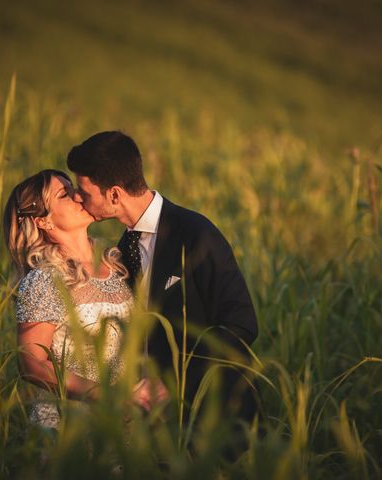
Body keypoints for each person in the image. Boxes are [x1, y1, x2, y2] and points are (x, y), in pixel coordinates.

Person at [66, 131, 261, 440]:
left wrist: (172, 382)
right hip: (157, 429)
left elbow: (241, 324)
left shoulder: (196, 234)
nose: (77, 196)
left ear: (114, 195)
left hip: (214, 420)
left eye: (83, 189)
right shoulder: (124, 246)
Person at [3, 169, 157, 430]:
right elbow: (32, 365)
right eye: (64, 194)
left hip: (125, 423)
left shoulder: (118, 264)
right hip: (70, 425)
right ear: (43, 222)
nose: (78, 196)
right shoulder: (45, 279)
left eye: (73, 188)